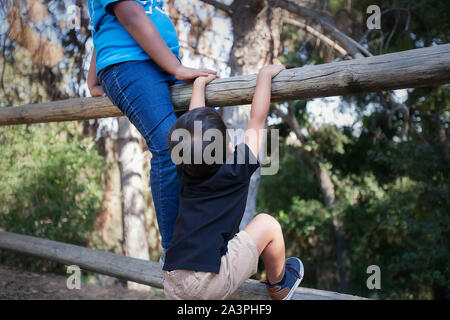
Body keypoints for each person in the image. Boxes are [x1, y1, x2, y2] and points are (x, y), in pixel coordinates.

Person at [163, 65, 304, 300]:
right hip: (206, 282)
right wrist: (265, 76)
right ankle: (279, 287)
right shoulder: (236, 169)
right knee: (267, 224)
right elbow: (257, 121)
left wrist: (198, 85)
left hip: (173, 277)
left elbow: (193, 132)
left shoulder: (185, 170)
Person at [86, 0, 217, 255]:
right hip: (130, 64)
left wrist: (92, 76)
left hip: (160, 63)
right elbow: (129, 15)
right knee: (170, 148)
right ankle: (176, 257)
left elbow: (104, 19)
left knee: (203, 146)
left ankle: (206, 236)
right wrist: (177, 68)